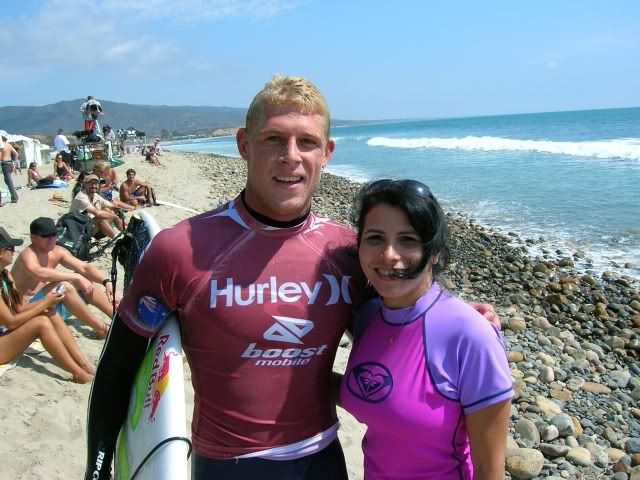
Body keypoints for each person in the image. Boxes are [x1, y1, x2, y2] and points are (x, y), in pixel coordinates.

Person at [84, 75, 499, 480]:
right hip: (226, 464)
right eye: (274, 139)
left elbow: (400, 324)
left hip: (323, 459)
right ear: (244, 145)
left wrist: (460, 321)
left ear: (327, 153)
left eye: (308, 142)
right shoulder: (180, 250)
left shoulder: (348, 253)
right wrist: (98, 465)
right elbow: (119, 365)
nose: (291, 155)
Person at [339, 179, 513, 479]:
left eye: (408, 239)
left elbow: (490, 470)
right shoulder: (367, 318)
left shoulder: (471, 336)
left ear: (434, 252)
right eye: (375, 238)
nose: (389, 254)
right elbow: (375, 392)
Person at [0, 227, 95, 383]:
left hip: (4, 332)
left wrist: (47, 302)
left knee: (48, 311)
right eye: (10, 248)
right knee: (42, 323)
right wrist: (44, 301)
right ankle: (78, 373)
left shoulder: (5, 274)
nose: (14, 251)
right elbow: (10, 321)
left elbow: (19, 308)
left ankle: (83, 364)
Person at [10, 217, 113, 339]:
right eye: (45, 236)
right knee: (65, 285)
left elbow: (84, 267)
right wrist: (76, 277)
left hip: (50, 306)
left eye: (54, 235)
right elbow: (38, 272)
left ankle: (117, 319)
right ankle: (101, 328)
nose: (51, 239)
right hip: (26, 310)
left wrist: (106, 281)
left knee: (85, 279)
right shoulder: (27, 255)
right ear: (33, 237)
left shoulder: (58, 251)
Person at [69, 174, 125, 238]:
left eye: (96, 184)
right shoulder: (81, 197)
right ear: (85, 184)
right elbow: (97, 213)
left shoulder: (95, 195)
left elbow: (110, 205)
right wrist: (113, 215)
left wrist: (119, 209)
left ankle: (127, 235)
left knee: (114, 216)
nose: (94, 186)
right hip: (77, 228)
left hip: (88, 225)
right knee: (100, 219)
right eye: (91, 183)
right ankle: (116, 238)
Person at [0, 130, 19, 203]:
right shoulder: (8, 144)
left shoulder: (2, 145)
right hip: (10, 163)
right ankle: (15, 196)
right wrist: (15, 163)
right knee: (7, 180)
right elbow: (16, 154)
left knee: (9, 182)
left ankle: (14, 197)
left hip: (5, 164)